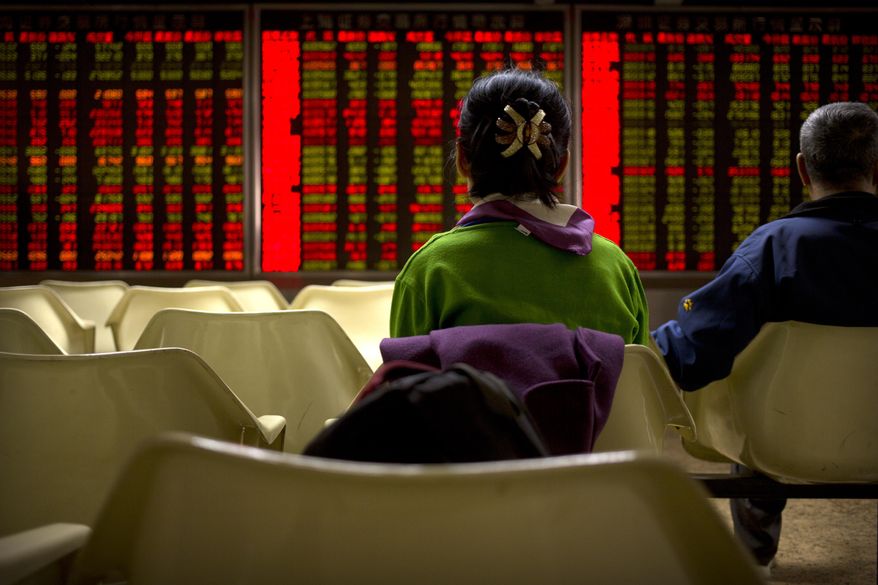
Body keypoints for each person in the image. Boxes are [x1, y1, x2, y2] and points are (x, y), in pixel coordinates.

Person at [652, 101, 878, 569]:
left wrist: (639, 344)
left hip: (782, 442)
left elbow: (693, 353)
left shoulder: (773, 248)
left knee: (749, 394)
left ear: (802, 169)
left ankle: (754, 560)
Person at [390, 68, 649, 345]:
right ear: (562, 165)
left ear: (462, 159)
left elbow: (405, 371)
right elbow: (639, 369)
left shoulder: (429, 271)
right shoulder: (617, 270)